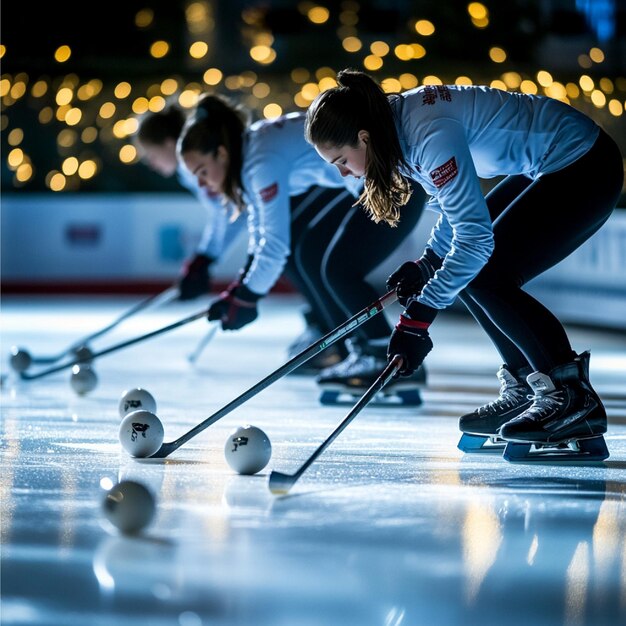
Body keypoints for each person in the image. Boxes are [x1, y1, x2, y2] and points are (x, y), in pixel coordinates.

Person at [304, 69, 623, 458]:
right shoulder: (394, 132)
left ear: (363, 138)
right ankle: (528, 386)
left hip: (584, 163)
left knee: (486, 275)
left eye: (341, 160)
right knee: (472, 273)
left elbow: (474, 240)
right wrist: (427, 264)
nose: (342, 173)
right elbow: (457, 221)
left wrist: (417, 319)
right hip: (546, 165)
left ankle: (571, 398)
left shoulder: (426, 133)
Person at [177, 93, 427, 403]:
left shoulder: (260, 161)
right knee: (309, 255)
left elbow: (275, 244)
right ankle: (357, 348)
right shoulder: (253, 152)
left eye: (202, 171)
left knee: (338, 269)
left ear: (222, 153)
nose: (202, 184)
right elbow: (262, 232)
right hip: (370, 180)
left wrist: (247, 296)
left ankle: (382, 356)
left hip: (396, 182)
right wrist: (241, 288)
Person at [134, 104, 246, 301]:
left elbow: (230, 212)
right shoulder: (188, 170)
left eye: (151, 155)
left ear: (169, 144)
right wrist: (204, 258)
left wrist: (206, 258)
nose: (152, 164)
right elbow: (223, 212)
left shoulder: (192, 167)